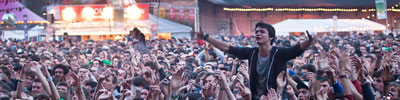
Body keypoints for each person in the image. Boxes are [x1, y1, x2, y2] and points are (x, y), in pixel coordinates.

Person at [194, 22, 315, 99]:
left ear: (271, 37)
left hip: (276, 97)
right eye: (256, 31)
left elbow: (296, 50)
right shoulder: (251, 53)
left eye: (262, 31)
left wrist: (308, 41)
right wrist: (206, 37)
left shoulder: (279, 53)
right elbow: (227, 47)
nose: (258, 33)